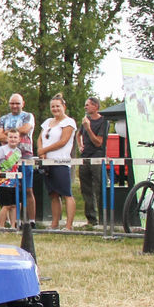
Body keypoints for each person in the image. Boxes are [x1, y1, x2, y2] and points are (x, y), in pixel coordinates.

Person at [38, 95, 77, 230]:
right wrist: (41, 152)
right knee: (53, 194)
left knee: (66, 194)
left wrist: (45, 149)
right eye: (53, 106)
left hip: (61, 161)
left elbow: (63, 141)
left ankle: (69, 225)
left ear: (63, 107)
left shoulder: (69, 122)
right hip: (47, 162)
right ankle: (54, 224)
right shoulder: (48, 121)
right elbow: (40, 138)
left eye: (57, 106)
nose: (55, 109)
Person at [0, 94, 36, 222]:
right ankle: (14, 221)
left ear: (22, 104)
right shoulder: (3, 118)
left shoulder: (28, 116)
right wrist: (14, 136)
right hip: (8, 158)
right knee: (11, 189)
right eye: (12, 103)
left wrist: (7, 134)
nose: (14, 106)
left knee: (28, 189)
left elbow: (25, 129)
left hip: (25, 155)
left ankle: (31, 221)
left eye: (17, 103)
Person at [77, 97, 108, 227]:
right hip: (85, 157)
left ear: (95, 106)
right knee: (86, 189)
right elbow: (78, 134)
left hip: (97, 156)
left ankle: (103, 219)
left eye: (88, 105)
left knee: (99, 188)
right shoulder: (85, 121)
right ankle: (91, 219)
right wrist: (80, 145)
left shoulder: (103, 122)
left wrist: (88, 129)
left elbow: (98, 142)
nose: (85, 107)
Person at [0, 128, 23, 229]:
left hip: (14, 181)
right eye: (10, 137)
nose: (13, 139)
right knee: (6, 205)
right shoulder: (2, 149)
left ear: (19, 139)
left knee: (14, 205)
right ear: (7, 138)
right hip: (3, 181)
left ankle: (13, 226)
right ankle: (1, 226)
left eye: (15, 137)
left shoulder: (18, 151)